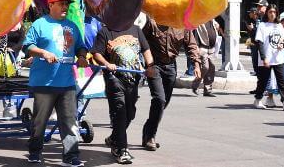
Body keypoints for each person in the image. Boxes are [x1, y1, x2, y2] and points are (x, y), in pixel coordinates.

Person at [22, 0, 88, 167]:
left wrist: (82, 56)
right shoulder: (40, 24)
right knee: (39, 122)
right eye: (61, 3)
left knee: (69, 124)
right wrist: (43, 52)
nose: (65, 7)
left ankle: (71, 156)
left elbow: (81, 47)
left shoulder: (72, 26)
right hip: (44, 83)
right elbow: (28, 46)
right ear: (51, 5)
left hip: (67, 83)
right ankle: (35, 152)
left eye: (67, 4)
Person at [93, 14, 156, 164]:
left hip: (133, 79)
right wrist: (107, 63)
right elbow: (96, 53)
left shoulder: (136, 30)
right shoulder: (105, 31)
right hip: (115, 79)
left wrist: (150, 66)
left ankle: (115, 137)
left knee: (130, 113)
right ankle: (121, 149)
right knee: (120, 112)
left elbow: (146, 49)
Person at [141, 16, 200, 151]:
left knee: (164, 103)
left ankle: (148, 129)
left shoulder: (182, 24)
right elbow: (141, 42)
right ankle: (151, 136)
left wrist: (196, 65)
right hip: (154, 65)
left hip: (170, 66)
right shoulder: (152, 22)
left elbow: (191, 45)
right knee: (159, 99)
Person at [253, 4, 284, 111]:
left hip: (278, 57)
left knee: (282, 80)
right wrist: (263, 58)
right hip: (266, 58)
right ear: (267, 13)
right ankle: (257, 99)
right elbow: (259, 42)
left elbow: (283, 39)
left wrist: (281, 44)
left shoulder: (279, 26)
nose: (272, 14)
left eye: (274, 12)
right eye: (270, 12)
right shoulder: (262, 25)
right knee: (263, 81)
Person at [192, 19, 217, 97]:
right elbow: (195, 35)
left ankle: (208, 90)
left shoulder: (212, 20)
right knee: (205, 67)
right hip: (203, 48)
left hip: (212, 47)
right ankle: (195, 85)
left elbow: (215, 28)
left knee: (212, 67)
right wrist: (197, 47)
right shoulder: (199, 21)